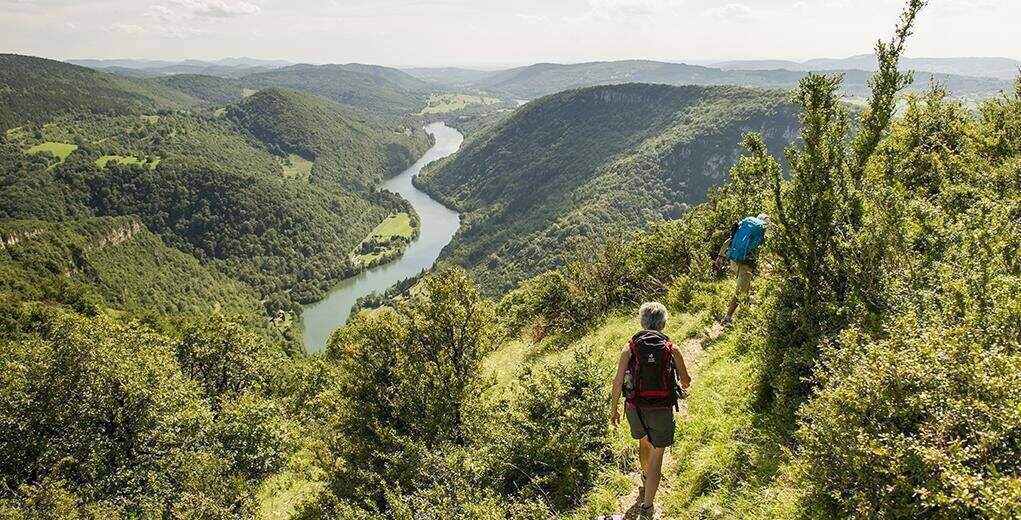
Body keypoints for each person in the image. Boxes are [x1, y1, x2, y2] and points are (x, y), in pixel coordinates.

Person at [609, 302, 691, 515]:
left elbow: (617, 382)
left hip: (635, 406)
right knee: (658, 454)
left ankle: (645, 476)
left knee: (644, 442)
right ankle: (647, 505)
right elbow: (686, 380)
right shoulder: (671, 348)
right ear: (663, 324)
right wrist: (683, 383)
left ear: (642, 322)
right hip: (661, 408)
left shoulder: (631, 347)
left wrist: (614, 410)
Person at [714, 213, 769, 325]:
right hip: (745, 264)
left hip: (734, 260)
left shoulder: (743, 231)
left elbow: (727, 242)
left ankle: (746, 309)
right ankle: (727, 317)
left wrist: (720, 257)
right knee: (740, 291)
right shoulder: (761, 234)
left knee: (745, 286)